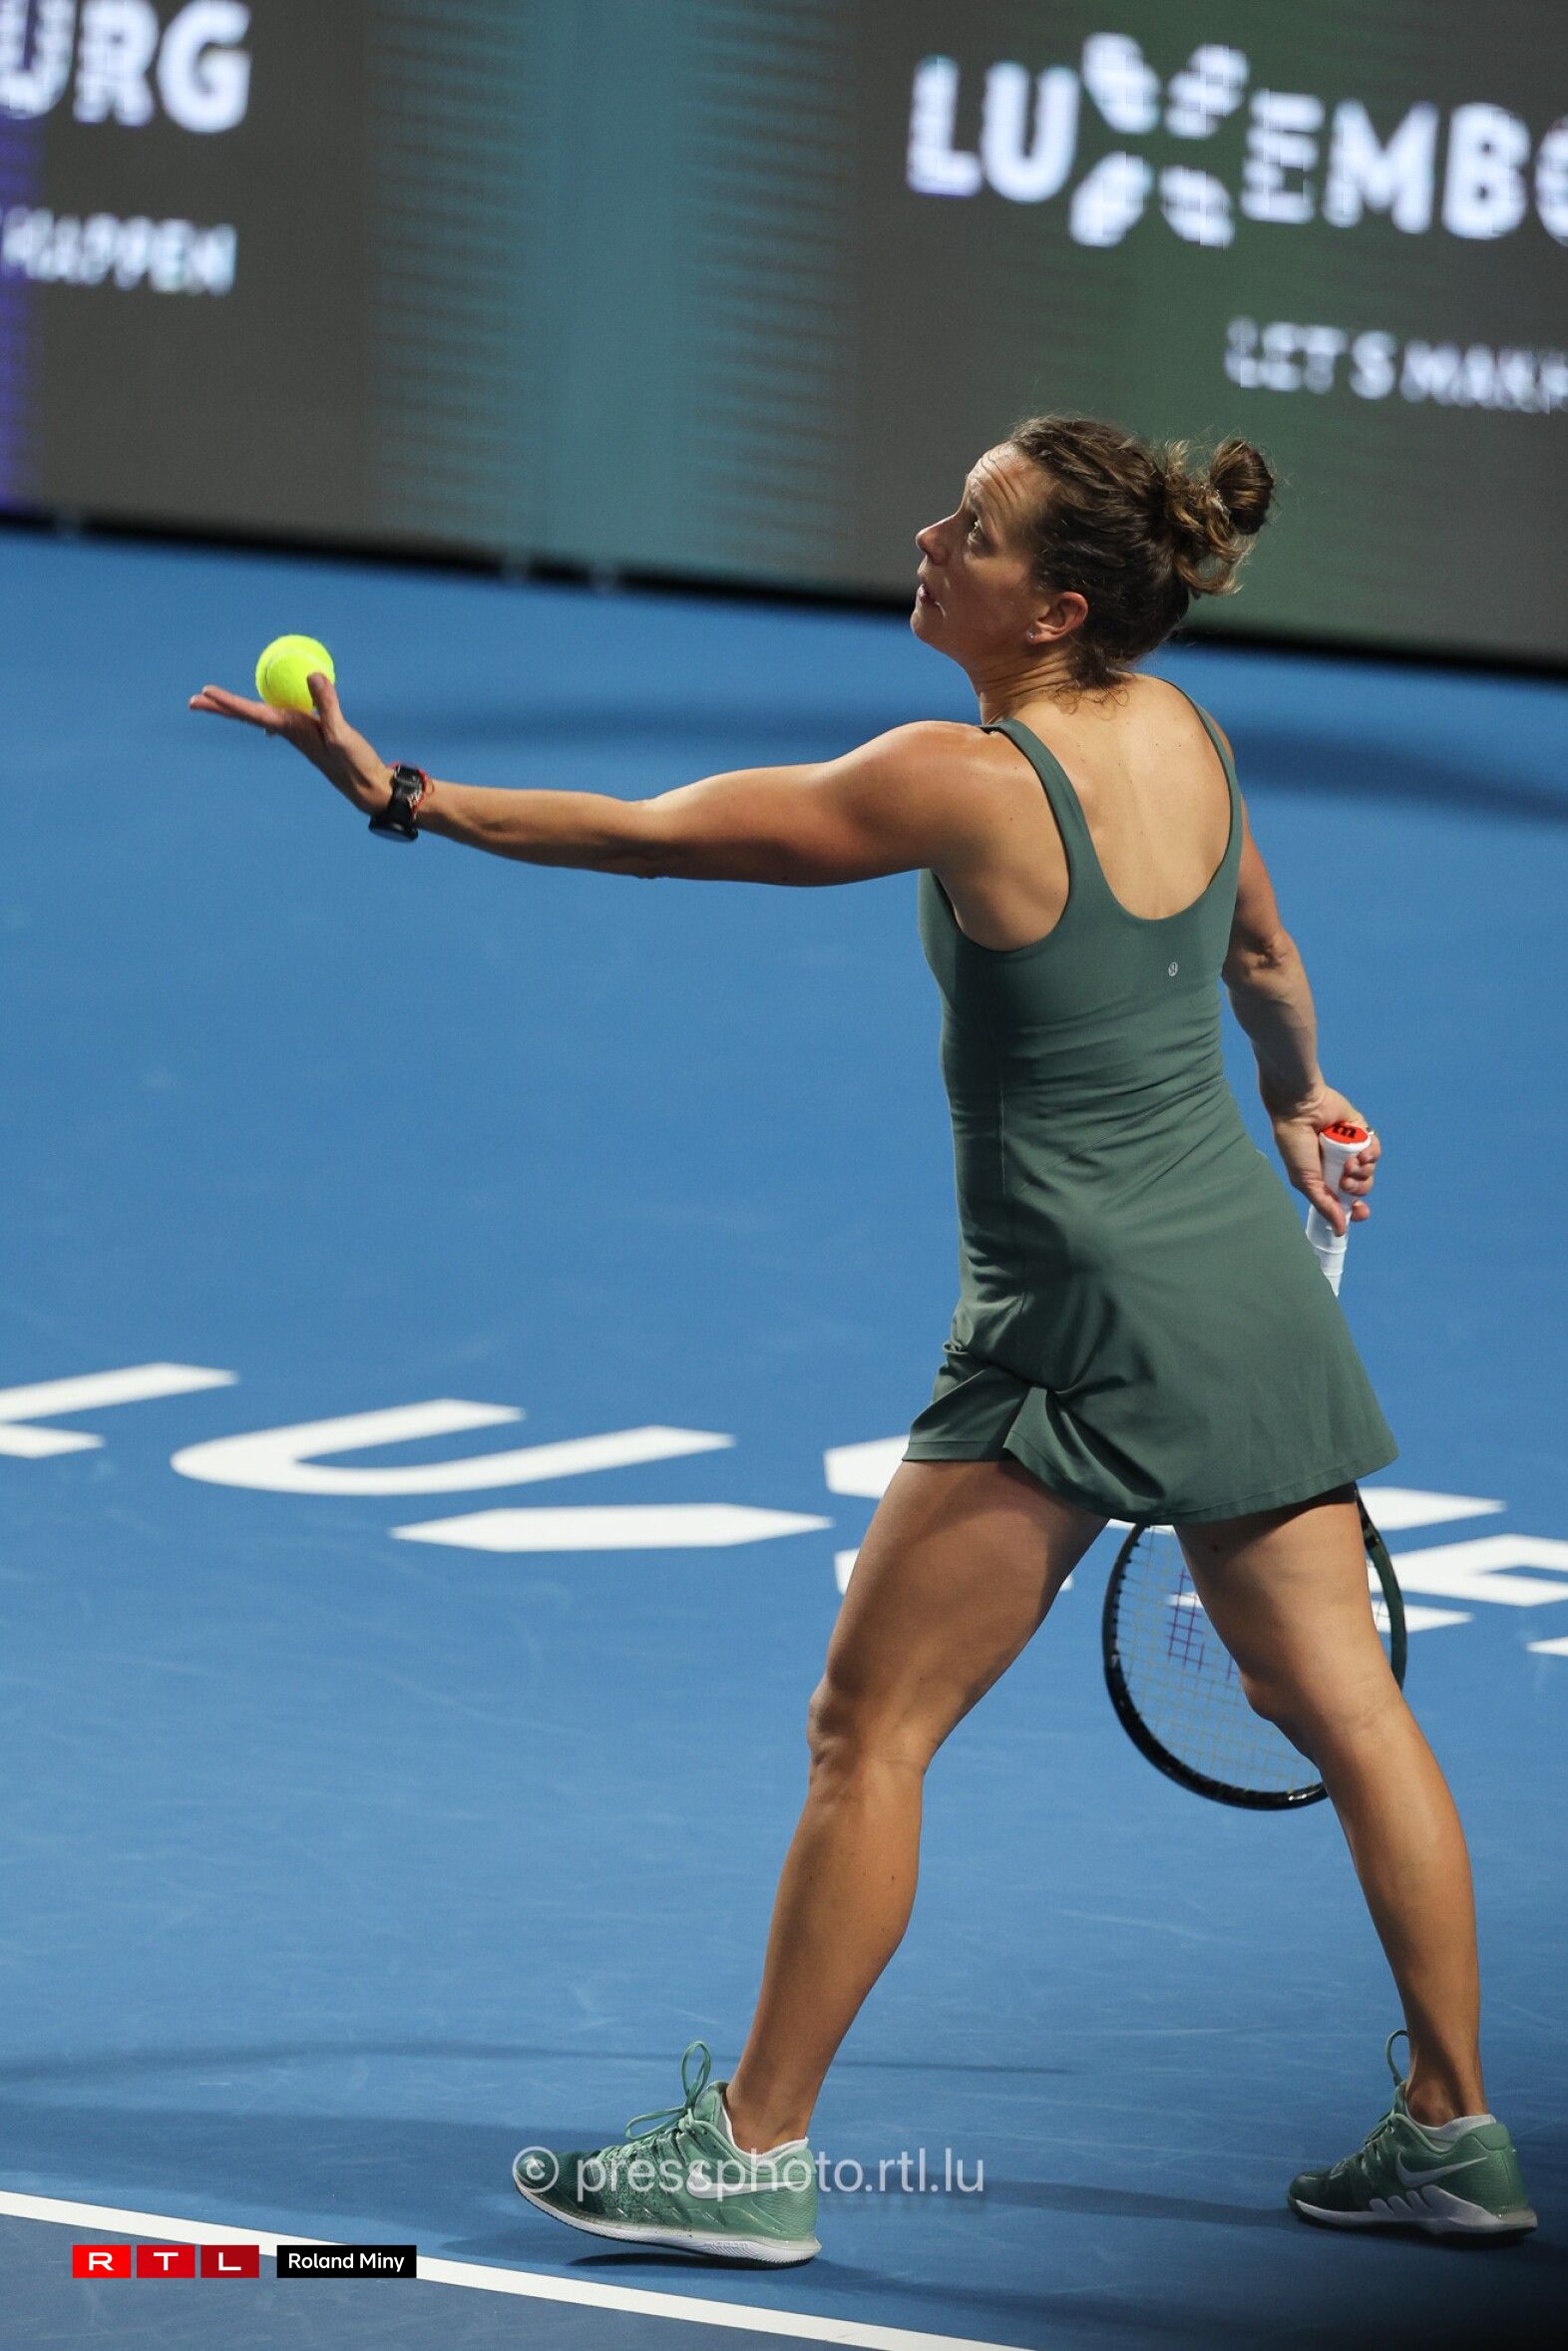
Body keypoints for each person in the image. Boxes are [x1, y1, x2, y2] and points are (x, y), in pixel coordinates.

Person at [191, 412, 1534, 2261]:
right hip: (1237, 1284)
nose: (927, 536)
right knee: (1354, 1711)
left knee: (867, 1726)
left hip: (1068, 1324)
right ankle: (1458, 2131)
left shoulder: (964, 782)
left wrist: (402, 793)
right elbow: (1261, 960)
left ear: (1055, 608)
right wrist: (1300, 1096)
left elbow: (660, 840)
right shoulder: (1189, 733)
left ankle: (751, 2151)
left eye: (972, 528)